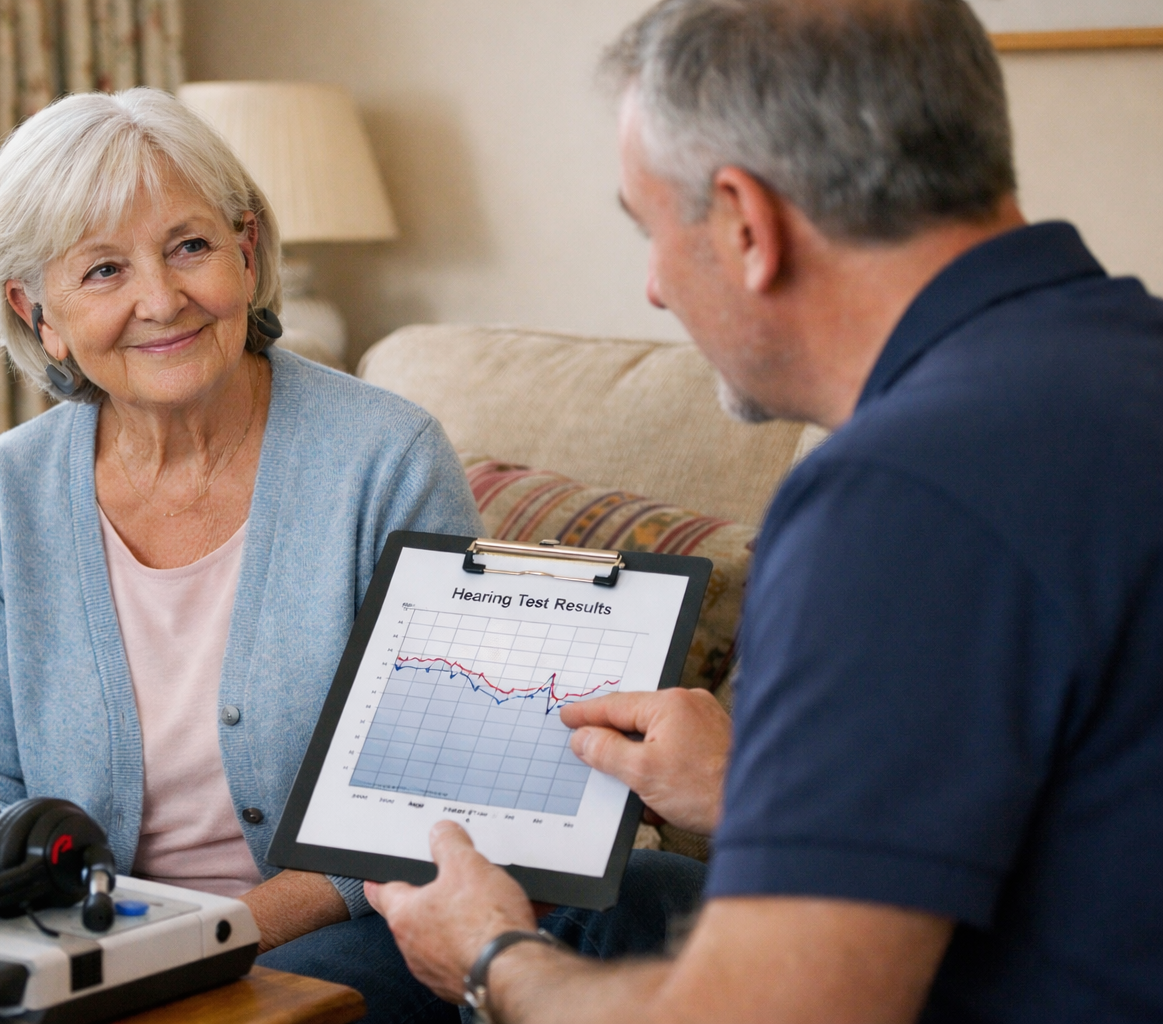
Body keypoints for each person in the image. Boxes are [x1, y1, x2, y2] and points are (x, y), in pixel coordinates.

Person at [367, 1, 1163, 1021]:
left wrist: (491, 958)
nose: (654, 287)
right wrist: (766, 792)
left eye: (650, 228)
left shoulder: (894, 498)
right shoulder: (1124, 362)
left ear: (747, 221)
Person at [0, 87, 493, 1021]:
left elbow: (427, 793)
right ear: (35, 309)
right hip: (80, 951)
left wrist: (199, 942)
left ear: (246, 253)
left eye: (190, 246)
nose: (161, 299)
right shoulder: (2, 494)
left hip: (338, 933)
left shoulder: (387, 458)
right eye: (101, 271)